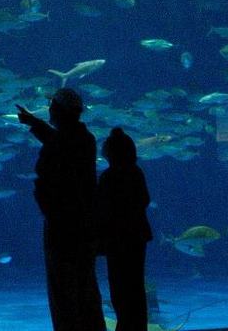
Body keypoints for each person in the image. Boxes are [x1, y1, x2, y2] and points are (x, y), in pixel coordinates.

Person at [17, 88, 105, 331]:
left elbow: (51, 165)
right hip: (85, 227)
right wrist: (34, 123)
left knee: (63, 294)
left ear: (59, 111)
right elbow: (60, 140)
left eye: (52, 106)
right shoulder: (85, 139)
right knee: (86, 289)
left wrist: (46, 204)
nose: (49, 109)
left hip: (62, 227)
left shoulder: (63, 143)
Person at [97, 127, 153, 331]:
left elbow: (102, 208)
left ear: (111, 152)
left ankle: (127, 325)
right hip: (137, 236)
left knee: (119, 287)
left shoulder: (108, 177)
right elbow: (145, 200)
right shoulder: (136, 171)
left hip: (117, 239)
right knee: (135, 285)